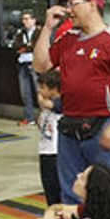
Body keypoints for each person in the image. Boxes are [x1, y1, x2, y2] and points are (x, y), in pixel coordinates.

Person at [33, 0, 110, 203]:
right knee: (71, 192)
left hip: (102, 126)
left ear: (92, 4)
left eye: (74, 3)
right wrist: (47, 28)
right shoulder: (68, 39)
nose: (69, 9)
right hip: (69, 127)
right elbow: (41, 65)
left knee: (108, 191)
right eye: (67, 4)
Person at [36, 70, 62, 206]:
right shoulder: (46, 109)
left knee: (55, 187)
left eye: (43, 87)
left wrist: (42, 100)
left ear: (54, 89)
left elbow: (53, 105)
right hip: (44, 151)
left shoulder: (60, 105)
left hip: (55, 153)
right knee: (48, 187)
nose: (39, 91)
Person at [12, 11, 41, 126]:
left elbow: (36, 46)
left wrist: (26, 47)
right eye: (23, 19)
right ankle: (29, 117)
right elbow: (16, 46)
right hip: (22, 64)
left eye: (27, 19)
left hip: (34, 63)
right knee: (25, 92)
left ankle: (42, 116)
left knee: (38, 91)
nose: (25, 21)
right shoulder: (20, 33)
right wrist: (26, 47)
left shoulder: (39, 32)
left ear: (34, 20)